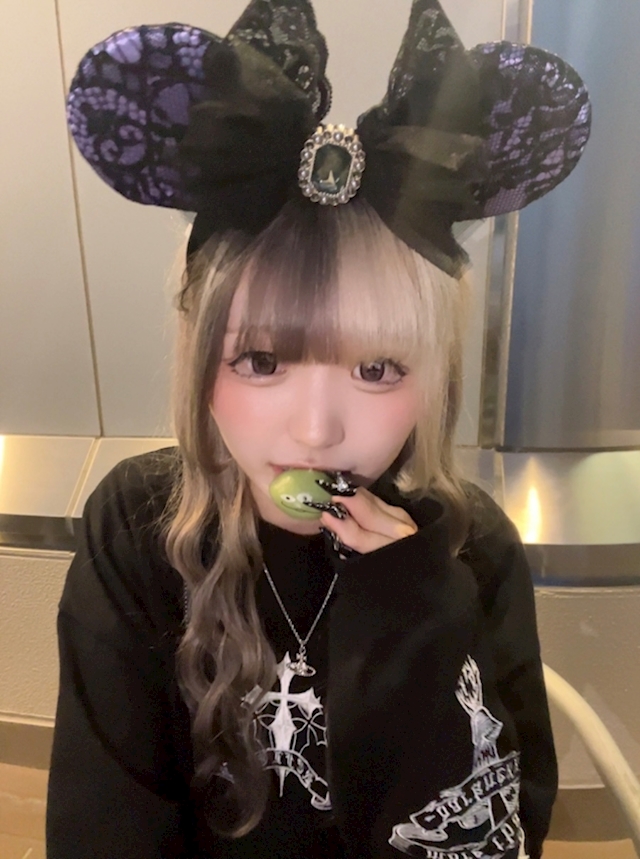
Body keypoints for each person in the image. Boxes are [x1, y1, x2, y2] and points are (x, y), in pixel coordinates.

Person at [46, 1, 592, 858]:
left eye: (377, 370)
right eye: (262, 360)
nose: (315, 431)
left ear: (433, 380)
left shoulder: (472, 551)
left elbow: (500, 836)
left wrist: (419, 627)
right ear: (199, 361)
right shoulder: (137, 529)